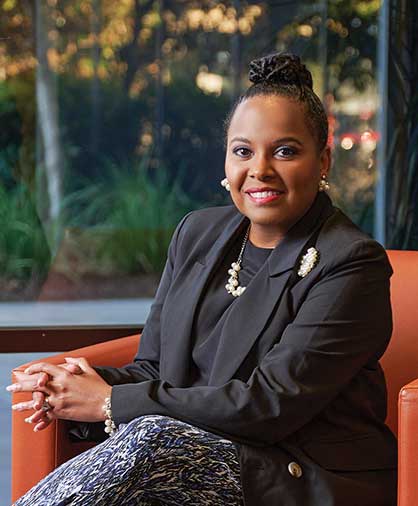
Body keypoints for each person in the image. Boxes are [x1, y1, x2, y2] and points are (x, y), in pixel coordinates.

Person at [8, 52, 397, 506]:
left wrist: (111, 403)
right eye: (243, 151)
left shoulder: (350, 263)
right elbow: (156, 369)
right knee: (153, 441)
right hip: (195, 448)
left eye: (286, 151)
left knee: (151, 441)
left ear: (324, 160)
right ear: (227, 161)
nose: (260, 169)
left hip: (299, 473)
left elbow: (269, 404)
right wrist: (76, 386)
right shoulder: (198, 233)